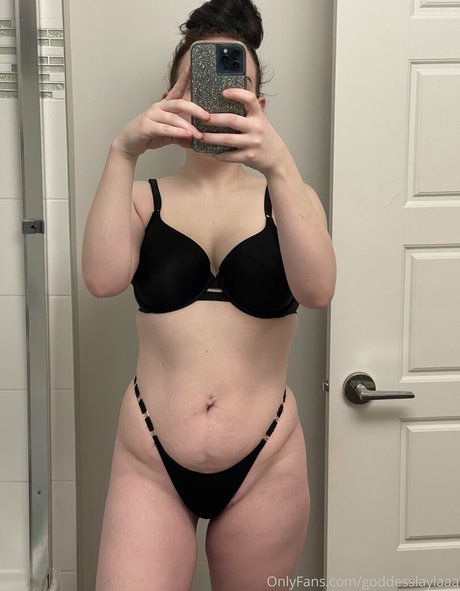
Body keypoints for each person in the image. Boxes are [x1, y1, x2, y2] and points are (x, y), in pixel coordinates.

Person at [82, 0, 336, 589]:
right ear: (171, 98)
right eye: (198, 87)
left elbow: (318, 290)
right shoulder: (141, 199)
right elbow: (101, 279)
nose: (215, 102)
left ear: (259, 105)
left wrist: (280, 166)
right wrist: (123, 151)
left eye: (235, 89)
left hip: (266, 461)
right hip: (150, 459)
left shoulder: (292, 199)